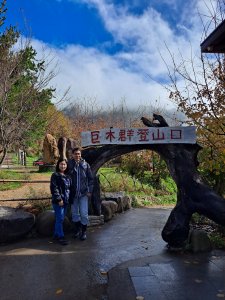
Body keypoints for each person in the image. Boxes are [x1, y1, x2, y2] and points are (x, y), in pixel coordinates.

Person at [68, 147, 94, 241]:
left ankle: (83, 232)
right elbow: (66, 177)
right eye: (75, 154)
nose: (77, 155)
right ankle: (77, 230)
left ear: (81, 154)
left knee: (84, 214)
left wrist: (89, 191)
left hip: (83, 194)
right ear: (72, 155)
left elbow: (90, 179)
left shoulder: (86, 165)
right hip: (73, 194)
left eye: (79, 154)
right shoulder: (69, 164)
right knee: (75, 214)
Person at [50, 158, 71, 245]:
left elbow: (68, 189)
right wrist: (59, 199)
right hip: (59, 201)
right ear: (58, 165)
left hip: (65, 201)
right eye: (61, 164)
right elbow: (54, 188)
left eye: (65, 164)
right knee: (60, 219)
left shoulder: (67, 176)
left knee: (60, 219)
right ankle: (61, 237)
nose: (63, 166)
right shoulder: (55, 175)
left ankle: (55, 235)